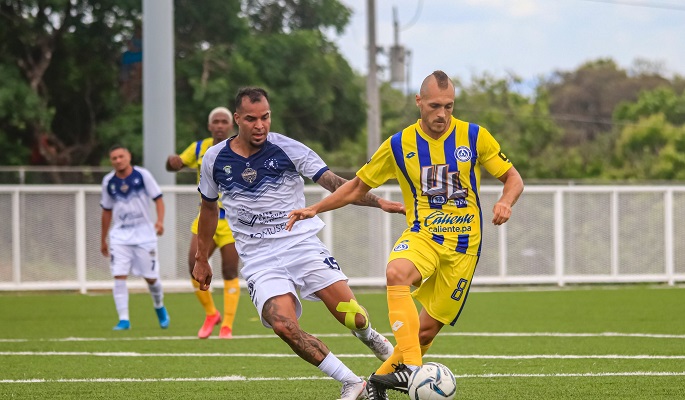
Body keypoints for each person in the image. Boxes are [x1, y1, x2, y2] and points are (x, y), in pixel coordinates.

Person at [287, 70, 525, 399]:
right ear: (419, 102)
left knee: (424, 334)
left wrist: (505, 201)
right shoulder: (399, 145)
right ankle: (413, 370)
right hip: (423, 236)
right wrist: (316, 208)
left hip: (464, 249)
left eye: (449, 106)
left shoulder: (474, 137)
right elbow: (357, 187)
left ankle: (373, 388)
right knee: (396, 271)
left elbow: (513, 178)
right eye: (435, 106)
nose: (442, 114)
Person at [192, 87, 406, 400]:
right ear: (237, 118)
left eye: (265, 117)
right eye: (251, 119)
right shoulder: (214, 159)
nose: (260, 125)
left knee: (352, 315)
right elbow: (208, 208)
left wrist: (378, 202)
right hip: (258, 257)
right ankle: (352, 383)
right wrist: (201, 258)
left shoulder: (288, 148)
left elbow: (334, 184)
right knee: (283, 326)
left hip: (301, 245)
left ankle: (369, 335)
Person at [166, 107, 241, 339]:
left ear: (231, 125)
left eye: (224, 121)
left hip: (230, 220)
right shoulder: (199, 148)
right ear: (210, 126)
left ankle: (227, 325)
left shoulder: (241, 147)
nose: (219, 125)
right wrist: (173, 162)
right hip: (206, 216)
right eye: (215, 122)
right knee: (193, 265)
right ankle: (211, 313)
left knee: (229, 270)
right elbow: (175, 165)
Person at [100, 145, 170, 331]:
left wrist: (160, 221)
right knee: (119, 276)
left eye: (121, 156)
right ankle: (124, 319)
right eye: (114, 158)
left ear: (129, 156)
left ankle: (159, 307)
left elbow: (158, 198)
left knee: (151, 278)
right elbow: (106, 211)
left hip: (144, 234)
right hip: (120, 236)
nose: (118, 160)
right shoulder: (108, 181)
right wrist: (103, 238)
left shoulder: (142, 175)